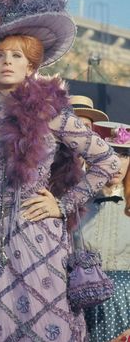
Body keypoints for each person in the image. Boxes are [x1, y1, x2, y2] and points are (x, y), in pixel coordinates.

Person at [0, 0, 120, 341]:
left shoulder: (51, 113)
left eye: (17, 55)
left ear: (30, 66)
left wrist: (61, 203)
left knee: (45, 327)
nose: (7, 62)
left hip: (39, 234)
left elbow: (107, 161)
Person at [78, 121, 130, 342]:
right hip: (83, 308)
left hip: (126, 308)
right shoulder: (75, 202)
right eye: (110, 153)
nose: (117, 163)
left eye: (124, 154)